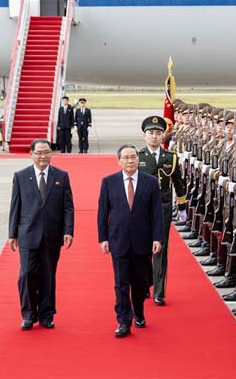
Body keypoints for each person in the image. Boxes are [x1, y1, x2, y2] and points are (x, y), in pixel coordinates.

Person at [97, 144, 164, 338]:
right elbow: (103, 212)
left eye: (133, 157)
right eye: (125, 157)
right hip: (118, 240)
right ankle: (123, 321)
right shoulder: (109, 182)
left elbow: (157, 213)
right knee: (121, 283)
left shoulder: (150, 182)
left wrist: (157, 238)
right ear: (119, 161)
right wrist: (103, 238)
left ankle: (139, 312)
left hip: (142, 240)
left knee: (140, 282)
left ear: (138, 159)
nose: (130, 160)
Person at [7, 139, 74, 330]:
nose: (43, 156)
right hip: (27, 233)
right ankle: (28, 314)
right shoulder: (21, 176)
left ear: (51, 154)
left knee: (48, 275)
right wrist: (12, 234)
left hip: (52, 234)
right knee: (26, 275)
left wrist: (68, 231)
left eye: (46, 152)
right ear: (31, 154)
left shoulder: (61, 176)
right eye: (38, 153)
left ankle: (46, 314)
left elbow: (68, 207)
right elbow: (15, 206)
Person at [138, 116, 187, 306]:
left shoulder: (170, 157)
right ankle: (144, 284)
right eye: (151, 133)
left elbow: (178, 184)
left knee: (161, 249)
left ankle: (159, 292)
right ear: (145, 136)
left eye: (158, 133)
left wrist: (182, 207)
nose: (154, 136)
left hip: (163, 209)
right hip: (142, 210)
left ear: (163, 136)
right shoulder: (138, 157)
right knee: (143, 249)